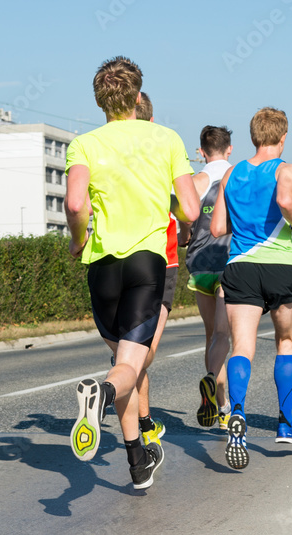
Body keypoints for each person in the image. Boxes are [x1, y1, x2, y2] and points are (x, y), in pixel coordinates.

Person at [66, 57, 200, 490]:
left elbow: (75, 204)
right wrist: (168, 203)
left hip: (102, 266)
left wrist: (77, 240)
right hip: (146, 263)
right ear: (138, 96)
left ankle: (138, 462)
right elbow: (191, 208)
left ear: (99, 101)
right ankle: (103, 395)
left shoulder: (83, 144)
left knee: (123, 361)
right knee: (127, 365)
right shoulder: (167, 138)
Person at [210, 107, 292, 470]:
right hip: (280, 266)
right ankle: (286, 423)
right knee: (285, 340)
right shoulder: (287, 169)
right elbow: (286, 200)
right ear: (283, 138)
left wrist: (246, 223)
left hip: (240, 266)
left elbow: (217, 228)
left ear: (254, 137)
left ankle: (237, 413)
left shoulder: (232, 173)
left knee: (242, 346)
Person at [130, 92, 179, 450]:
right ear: (151, 119)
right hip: (162, 257)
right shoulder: (165, 146)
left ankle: (145, 425)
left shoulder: (105, 148)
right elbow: (187, 206)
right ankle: (113, 384)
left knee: (131, 349)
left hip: (113, 258)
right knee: (142, 351)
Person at [183, 125, 234, 430]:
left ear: (201, 152)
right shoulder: (237, 176)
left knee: (210, 335)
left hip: (200, 265)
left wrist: (186, 236)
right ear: (230, 149)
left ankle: (219, 400)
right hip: (229, 262)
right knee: (224, 336)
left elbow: (184, 222)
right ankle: (224, 403)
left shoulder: (194, 181)